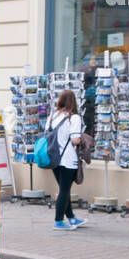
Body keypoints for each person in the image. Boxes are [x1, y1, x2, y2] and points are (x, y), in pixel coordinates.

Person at [46, 89, 86, 230]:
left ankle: (72, 218)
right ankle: (58, 221)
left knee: (64, 189)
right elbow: (75, 140)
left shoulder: (52, 116)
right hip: (68, 159)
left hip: (54, 158)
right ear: (73, 101)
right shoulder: (73, 118)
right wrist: (83, 139)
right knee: (64, 190)